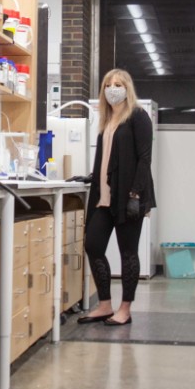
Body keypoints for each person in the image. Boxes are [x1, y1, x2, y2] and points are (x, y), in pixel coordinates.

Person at [77, 69, 156, 327]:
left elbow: (145, 159)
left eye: (118, 84)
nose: (113, 88)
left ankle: (125, 309)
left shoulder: (138, 116)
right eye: (108, 84)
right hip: (104, 196)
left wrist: (135, 194)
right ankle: (104, 305)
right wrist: (93, 177)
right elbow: (107, 157)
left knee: (128, 253)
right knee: (93, 245)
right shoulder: (107, 120)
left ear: (127, 88)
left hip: (129, 196)